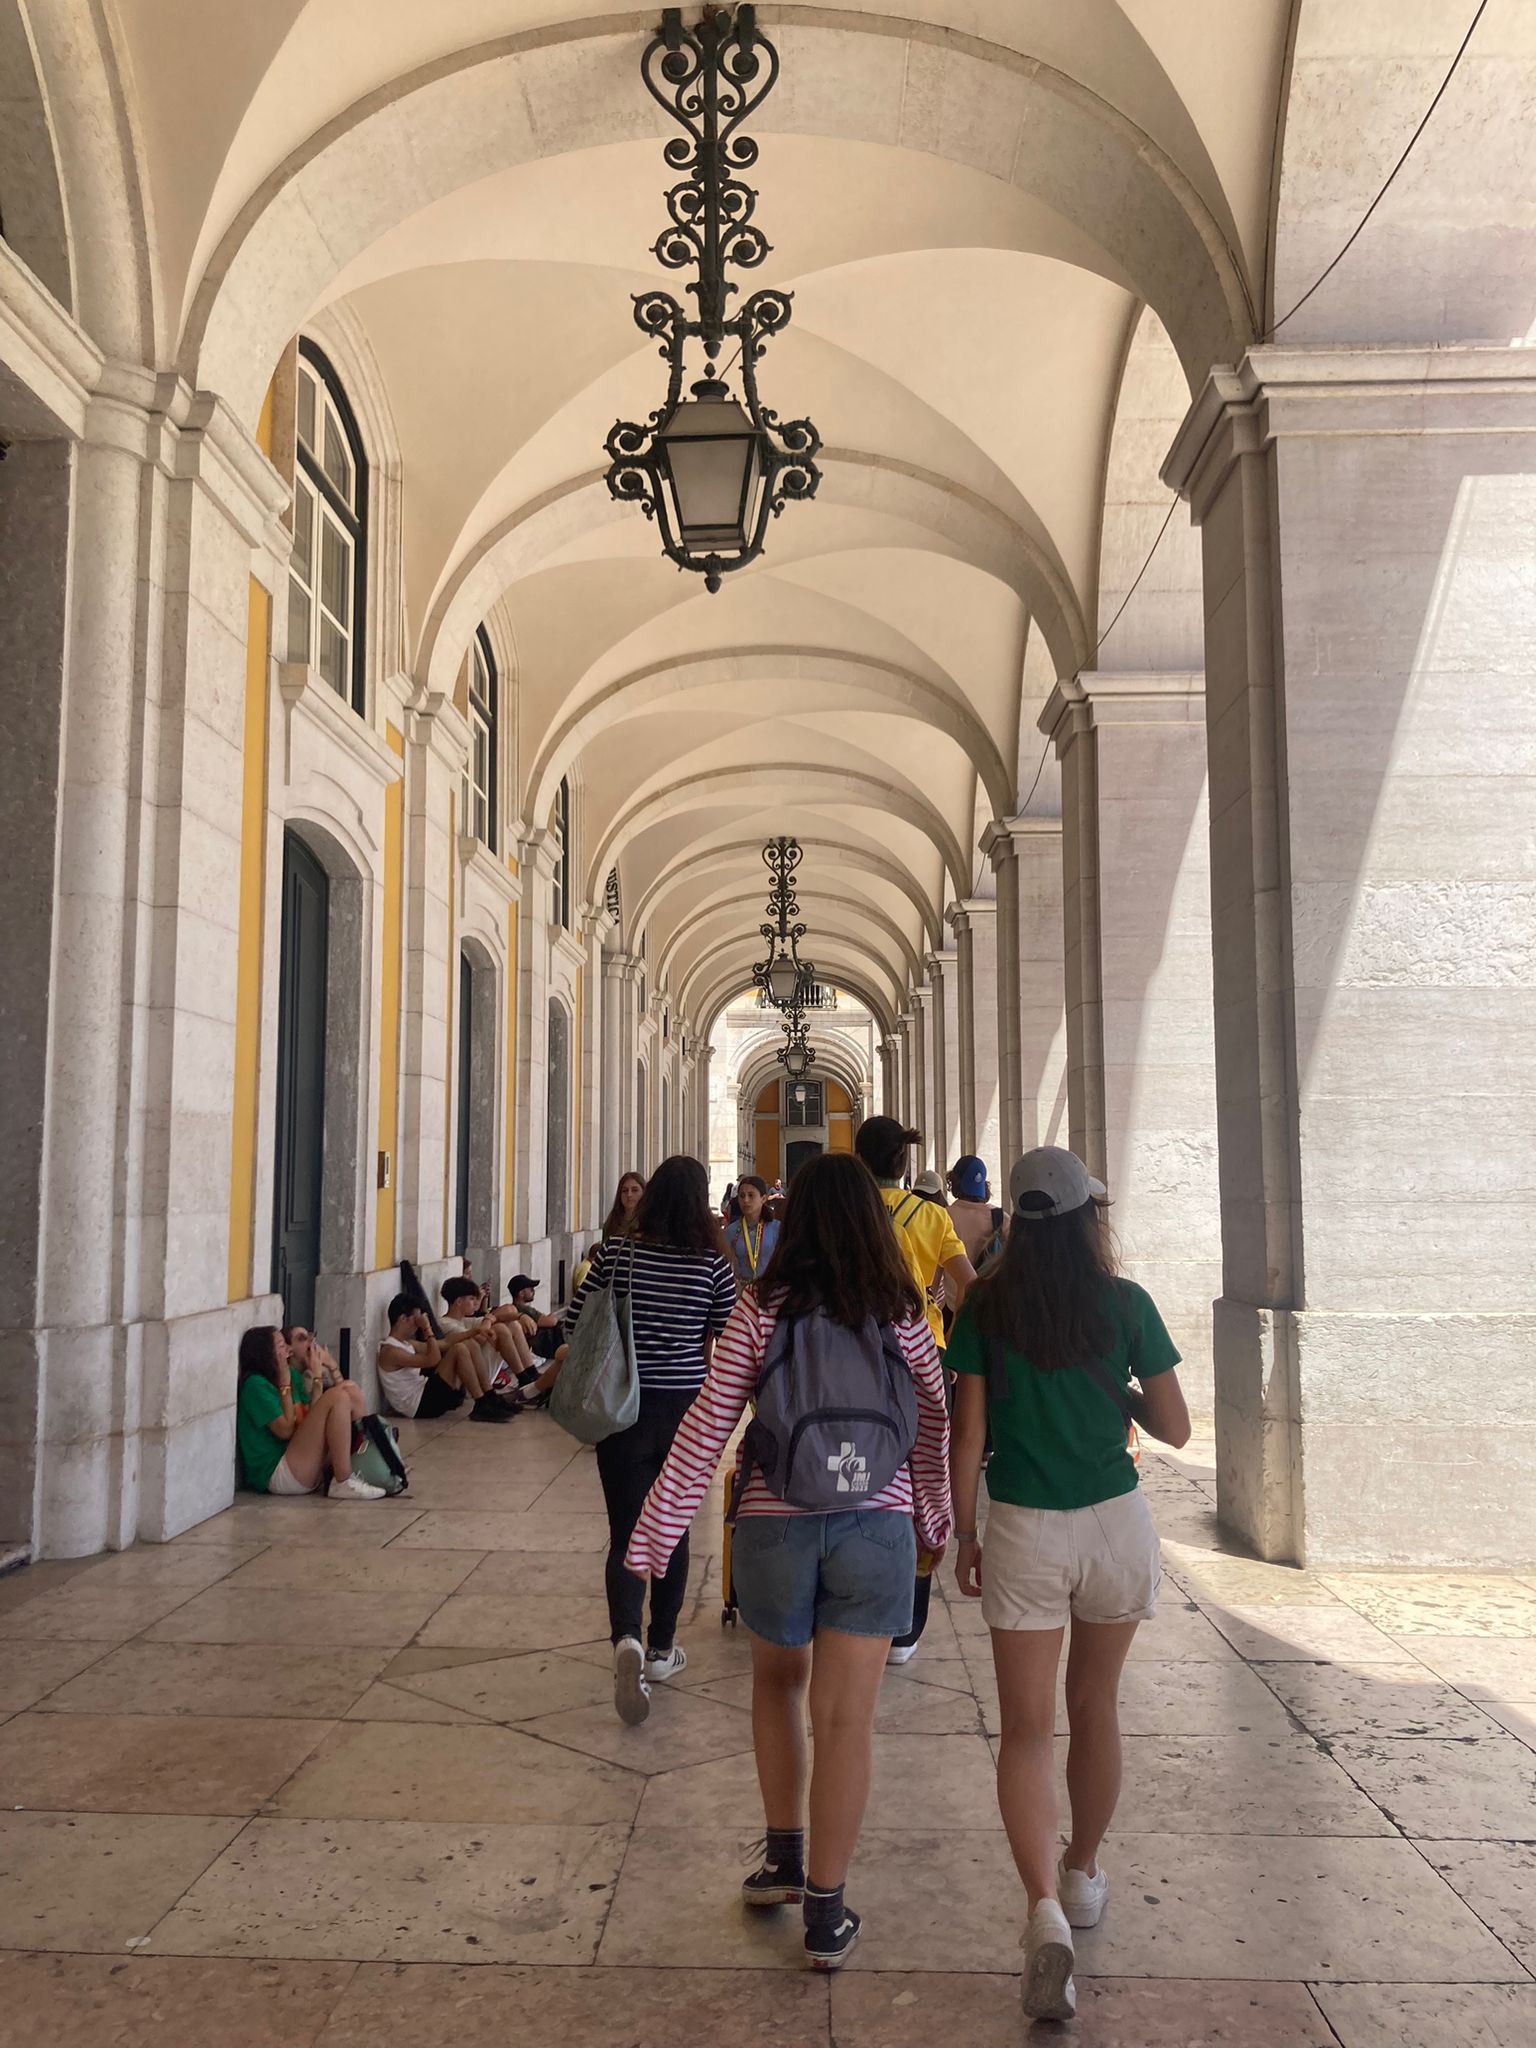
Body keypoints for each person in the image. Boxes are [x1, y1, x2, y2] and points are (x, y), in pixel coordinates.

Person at [627, 1153, 951, 1971]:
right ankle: (827, 1914)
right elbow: (933, 1415)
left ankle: (783, 1860)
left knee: (778, 1686)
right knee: (846, 1720)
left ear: (792, 1218)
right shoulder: (900, 1306)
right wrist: (934, 1515)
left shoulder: (761, 1305)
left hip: (776, 1525)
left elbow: (709, 1420)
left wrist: (657, 1530)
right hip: (875, 1525)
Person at [947, 1146, 1191, 2022]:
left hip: (1024, 1526)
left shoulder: (986, 1306)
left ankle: (1042, 1908)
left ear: (1014, 1217)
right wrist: (1119, 1396)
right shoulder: (1126, 1304)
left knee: (1024, 1730)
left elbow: (967, 1435)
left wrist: (963, 1534)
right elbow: (1176, 1429)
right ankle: (1082, 1873)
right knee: (1096, 1708)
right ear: (1089, 1216)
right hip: (1115, 1525)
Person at [563, 1153, 735, 1722]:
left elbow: (574, 1321)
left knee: (625, 1532)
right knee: (672, 1526)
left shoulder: (617, 1252)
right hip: (685, 1411)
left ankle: (626, 1641)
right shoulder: (713, 1264)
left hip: (623, 1407)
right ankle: (662, 1648)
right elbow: (728, 1335)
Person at [853, 1115, 976, 1664]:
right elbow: (970, 1286)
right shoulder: (930, 1215)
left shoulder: (846, 1212)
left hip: (855, 1357)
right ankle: (907, 1626)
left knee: (861, 1476)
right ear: (903, 1162)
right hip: (923, 1356)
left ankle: (856, 1604)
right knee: (922, 1480)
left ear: (860, 1160)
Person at [237, 1325, 383, 1500]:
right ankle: (343, 1481)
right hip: (278, 1473)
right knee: (337, 1396)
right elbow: (285, 1431)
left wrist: (318, 1376)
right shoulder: (255, 1385)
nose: (288, 1350)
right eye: (282, 1346)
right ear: (265, 1353)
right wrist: (285, 1386)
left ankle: (370, 1463)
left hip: (302, 1462)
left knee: (350, 1390)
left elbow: (311, 1418)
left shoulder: (292, 1374)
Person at [378, 1294, 506, 1424]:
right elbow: (433, 1360)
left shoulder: (406, 1343)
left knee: (470, 1344)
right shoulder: (390, 1351)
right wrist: (426, 1328)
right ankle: (480, 1403)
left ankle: (489, 1395)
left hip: (425, 1393)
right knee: (459, 1349)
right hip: (419, 1405)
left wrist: (474, 1331)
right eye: (416, 1320)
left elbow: (445, 1343)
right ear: (403, 1319)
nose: (417, 1326)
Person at [438, 1275, 535, 1416]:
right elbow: (476, 1341)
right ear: (459, 1301)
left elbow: (505, 1312)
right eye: (472, 1299)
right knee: (500, 1329)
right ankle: (524, 1380)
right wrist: (489, 1322)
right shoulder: (445, 1323)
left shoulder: (464, 1321)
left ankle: (529, 1374)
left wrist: (520, 1316)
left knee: (511, 1324)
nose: (475, 1303)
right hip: (469, 1382)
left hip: (481, 1374)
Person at [949, 1154, 1008, 1271]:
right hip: (991, 1283)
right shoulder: (1001, 1218)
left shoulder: (944, 1216)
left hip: (955, 1284)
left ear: (954, 1183)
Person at [724, 1174, 779, 1290]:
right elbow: (725, 1263)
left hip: (770, 1289)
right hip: (742, 1291)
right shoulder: (730, 1231)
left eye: (751, 1195)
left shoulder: (777, 1228)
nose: (746, 1200)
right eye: (742, 1196)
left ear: (763, 1198)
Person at [603, 1170, 646, 1241]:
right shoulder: (611, 1222)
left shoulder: (649, 1222)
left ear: (644, 1192)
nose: (629, 1195)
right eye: (625, 1191)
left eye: (635, 1190)